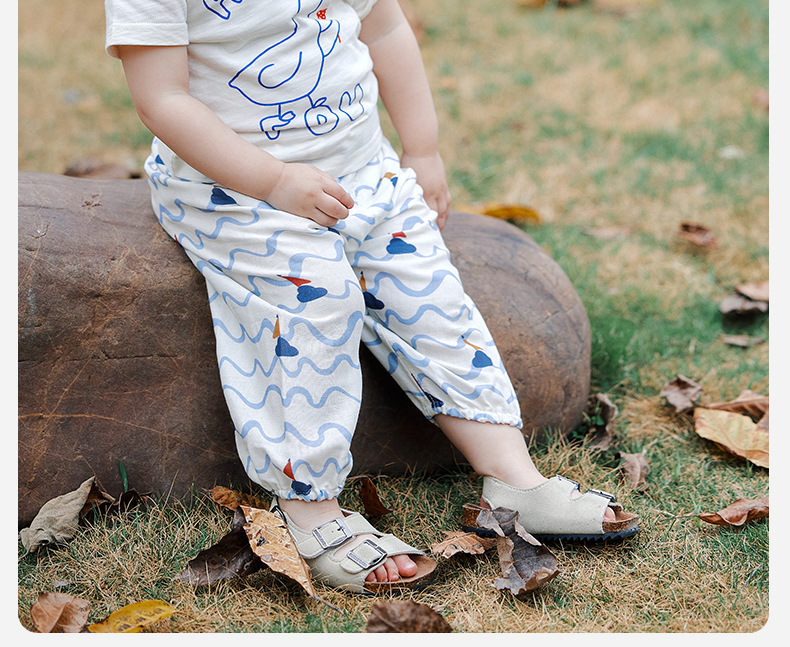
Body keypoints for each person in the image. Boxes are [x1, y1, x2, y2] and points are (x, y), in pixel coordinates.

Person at [105, 0, 638, 595]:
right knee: (315, 307)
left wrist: (422, 148)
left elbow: (385, 26)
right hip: (234, 193)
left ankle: (511, 477)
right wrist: (273, 181)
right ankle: (309, 507)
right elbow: (162, 98)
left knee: (430, 296)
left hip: (363, 173)